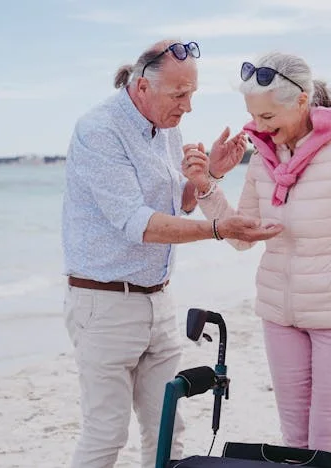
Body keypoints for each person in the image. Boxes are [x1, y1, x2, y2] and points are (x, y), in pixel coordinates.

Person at [61, 40, 283, 468]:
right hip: (104, 305)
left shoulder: (168, 129)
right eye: (179, 95)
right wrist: (218, 229)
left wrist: (213, 172)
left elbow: (174, 207)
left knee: (167, 428)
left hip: (158, 300)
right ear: (142, 87)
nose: (188, 107)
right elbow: (138, 223)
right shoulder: (99, 130)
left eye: (192, 94)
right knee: (106, 433)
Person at [182, 52, 331, 454]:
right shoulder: (263, 157)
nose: (260, 129)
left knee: (326, 443)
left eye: (269, 118)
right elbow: (240, 236)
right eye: (255, 117)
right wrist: (206, 184)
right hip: (279, 316)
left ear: (302, 101)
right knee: (293, 443)